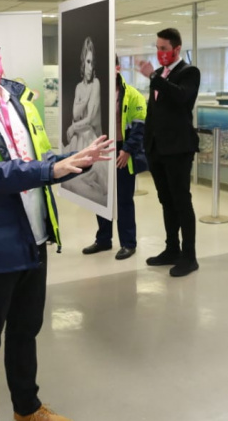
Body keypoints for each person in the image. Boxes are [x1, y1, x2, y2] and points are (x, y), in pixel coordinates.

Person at [0, 26, 113, 421]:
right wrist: (50, 170)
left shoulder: (22, 103)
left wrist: (74, 160)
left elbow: (39, 159)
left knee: (26, 330)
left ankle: (27, 408)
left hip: (34, 238)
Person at [137, 28, 201, 277]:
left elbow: (181, 98)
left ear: (176, 48)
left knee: (181, 201)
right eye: (157, 48)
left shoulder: (189, 72)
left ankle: (189, 256)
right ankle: (172, 248)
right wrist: (147, 144)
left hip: (178, 149)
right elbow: (154, 113)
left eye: (163, 48)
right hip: (157, 149)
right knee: (166, 200)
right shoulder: (160, 75)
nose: (159, 52)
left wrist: (153, 76)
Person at [82, 55, 147, 260]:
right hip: (102, 149)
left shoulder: (133, 95)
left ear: (117, 67)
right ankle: (103, 240)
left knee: (124, 199)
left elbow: (139, 127)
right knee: (101, 195)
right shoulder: (94, 92)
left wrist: (127, 150)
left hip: (122, 151)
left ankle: (128, 243)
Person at [61, 36, 107, 205]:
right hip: (79, 138)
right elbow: (75, 114)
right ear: (83, 62)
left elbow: (89, 118)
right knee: (69, 178)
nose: (90, 67)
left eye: (93, 63)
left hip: (90, 137)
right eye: (88, 62)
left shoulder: (96, 83)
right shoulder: (79, 87)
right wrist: (85, 100)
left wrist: (74, 127)